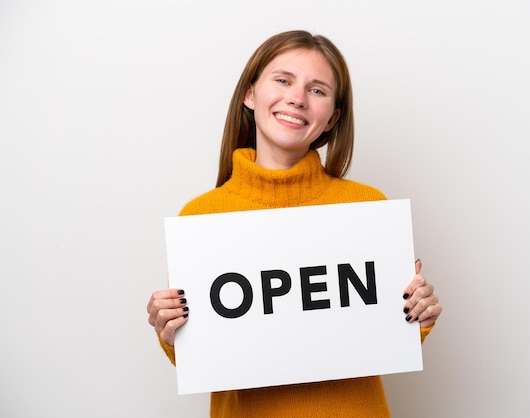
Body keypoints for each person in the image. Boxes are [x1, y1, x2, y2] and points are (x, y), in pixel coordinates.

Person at [147, 29, 442, 417]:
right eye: (283, 80)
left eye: (317, 90)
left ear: (333, 118)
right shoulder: (201, 219)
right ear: (250, 94)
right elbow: (203, 358)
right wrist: (170, 331)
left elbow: (375, 338)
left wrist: (416, 316)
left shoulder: (367, 208)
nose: (297, 98)